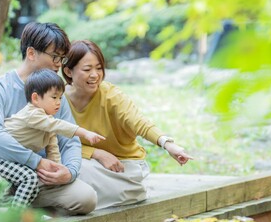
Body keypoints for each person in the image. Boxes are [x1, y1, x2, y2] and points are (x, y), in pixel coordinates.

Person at [0, 22, 97, 213]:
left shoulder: (54, 95)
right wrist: (35, 161)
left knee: (86, 198)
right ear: (31, 53)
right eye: (54, 56)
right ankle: (15, 211)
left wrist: (69, 172)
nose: (58, 64)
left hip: (36, 176)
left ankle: (16, 205)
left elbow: (69, 141)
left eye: (62, 59)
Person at [62, 39, 193, 209]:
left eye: (99, 68)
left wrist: (167, 144)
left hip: (124, 167)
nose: (95, 75)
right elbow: (56, 140)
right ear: (68, 71)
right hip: (84, 160)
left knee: (75, 173)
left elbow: (139, 122)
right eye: (87, 69)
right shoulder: (59, 99)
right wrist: (96, 153)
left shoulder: (111, 95)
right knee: (66, 167)